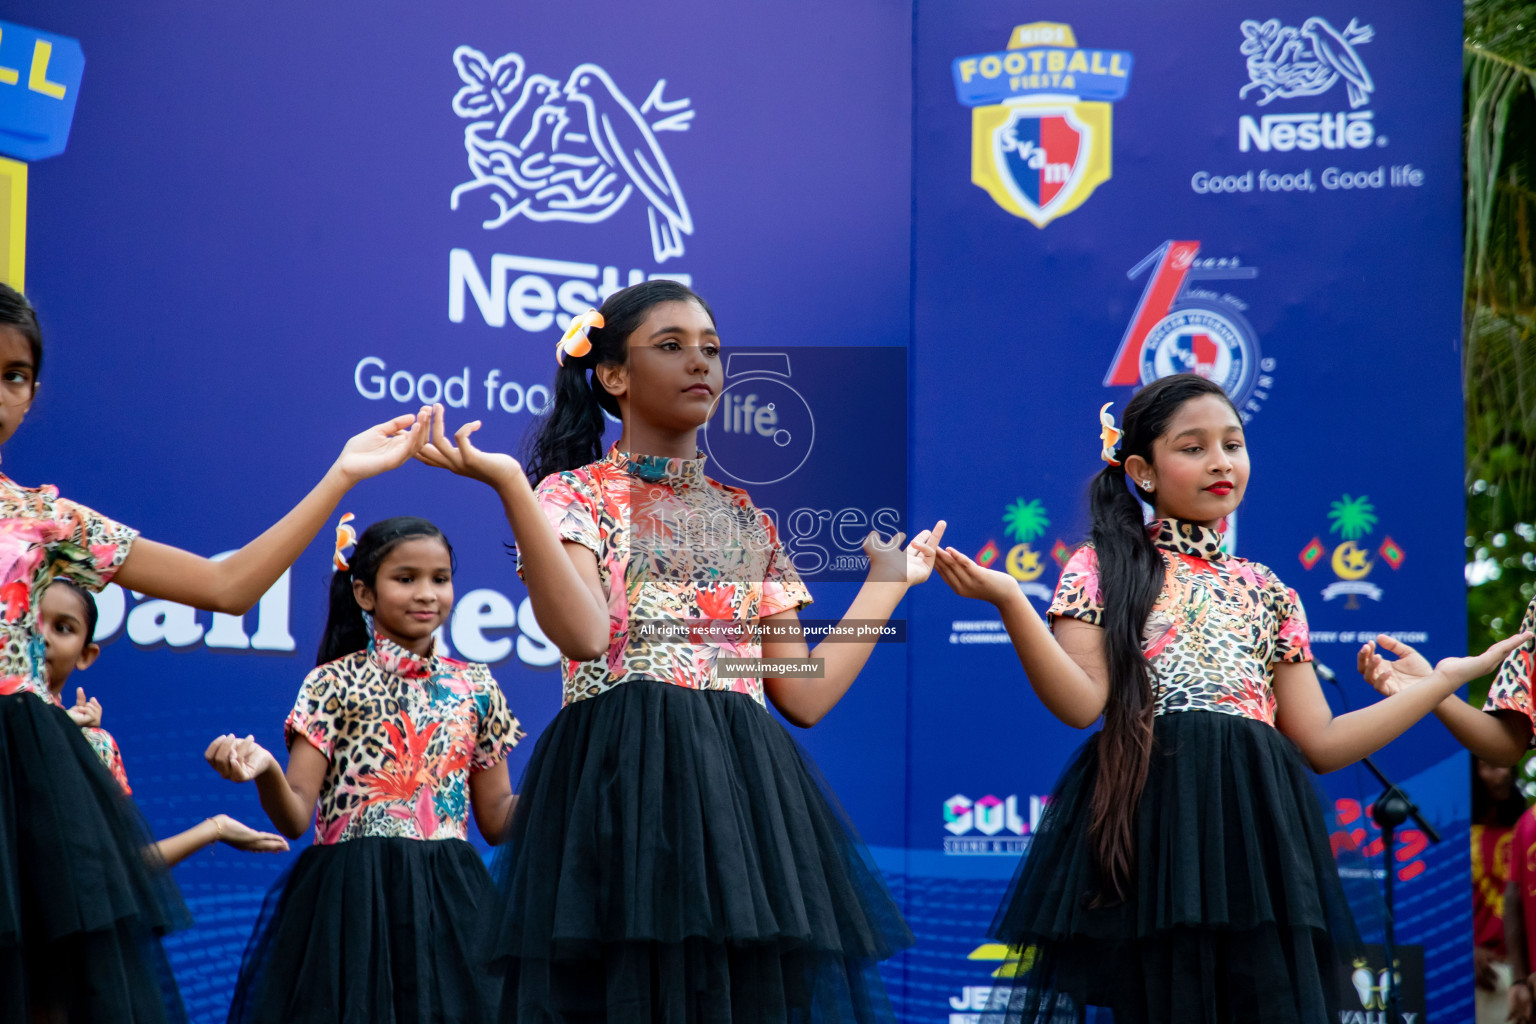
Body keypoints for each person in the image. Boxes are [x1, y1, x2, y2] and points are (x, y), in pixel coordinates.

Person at [415, 279, 942, 1022]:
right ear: (613, 376)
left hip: (743, 800)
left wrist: (886, 587)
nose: (701, 364)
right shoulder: (573, 495)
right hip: (620, 783)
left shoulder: (743, 515)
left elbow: (802, 692)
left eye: (712, 351)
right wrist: (511, 486)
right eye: (671, 347)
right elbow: (585, 636)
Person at [933, 372, 1528, 1023]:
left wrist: (1443, 680)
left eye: (1233, 444)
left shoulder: (1270, 590)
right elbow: (1080, 705)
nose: (1221, 462)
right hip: (1153, 828)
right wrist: (1010, 599)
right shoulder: (1101, 564)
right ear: (1144, 469)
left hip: (1258, 832)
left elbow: (1323, 744)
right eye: (1193, 447)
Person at [0, 281, 431, 1023]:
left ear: (33, 394)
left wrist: (342, 474)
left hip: (18, 764)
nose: (1, 392)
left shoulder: (43, 517)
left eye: (14, 376)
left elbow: (226, 586)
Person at [205, 515, 523, 1024]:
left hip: (453, 905)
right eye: (406, 578)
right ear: (364, 593)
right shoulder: (331, 684)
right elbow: (294, 818)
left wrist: (565, 787)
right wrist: (265, 769)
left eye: (440, 579)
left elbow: (498, 818)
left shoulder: (478, 687)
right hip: (349, 903)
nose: (427, 593)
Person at [39, 578, 288, 865]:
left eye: (63, 628)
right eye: (31, 622)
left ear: (86, 654)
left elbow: (118, 868)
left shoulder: (95, 747)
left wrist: (215, 828)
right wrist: (55, 728)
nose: (43, 637)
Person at [1470, 757, 1524, 1022]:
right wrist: (1467, 949)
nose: (1503, 773)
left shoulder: (1526, 832)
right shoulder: (1454, 836)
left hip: (1524, 973)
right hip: (1479, 973)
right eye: (1490, 765)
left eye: (1506, 764)